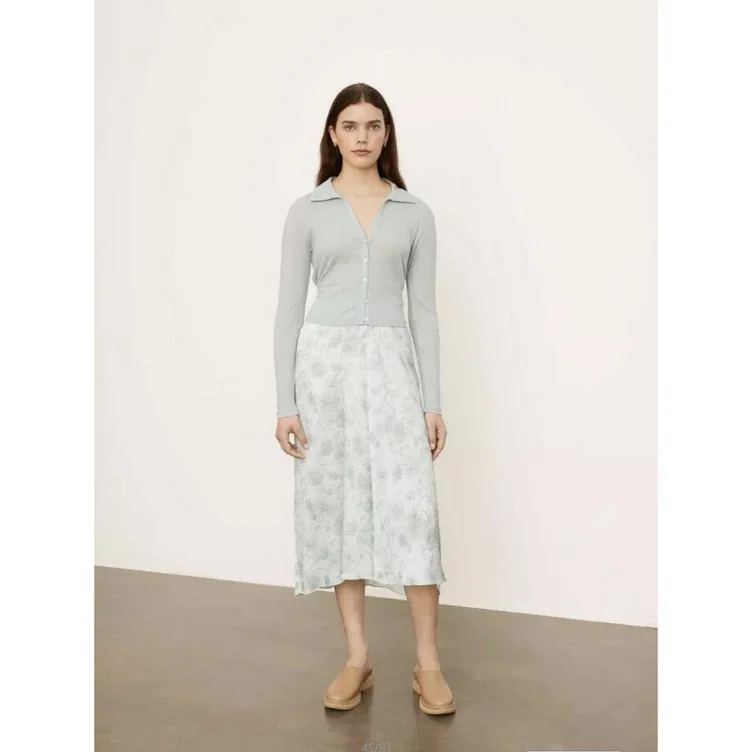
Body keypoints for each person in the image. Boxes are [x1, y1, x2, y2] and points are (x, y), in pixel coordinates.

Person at [272, 83, 455, 715]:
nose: (361, 136)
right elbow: (287, 312)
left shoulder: (414, 212)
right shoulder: (307, 211)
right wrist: (285, 403)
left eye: (373, 125)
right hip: (324, 371)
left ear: (386, 134)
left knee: (412, 511)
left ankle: (428, 665)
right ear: (333, 133)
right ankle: (357, 657)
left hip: (392, 368)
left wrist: (432, 401)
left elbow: (424, 311)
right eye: (349, 125)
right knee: (339, 511)